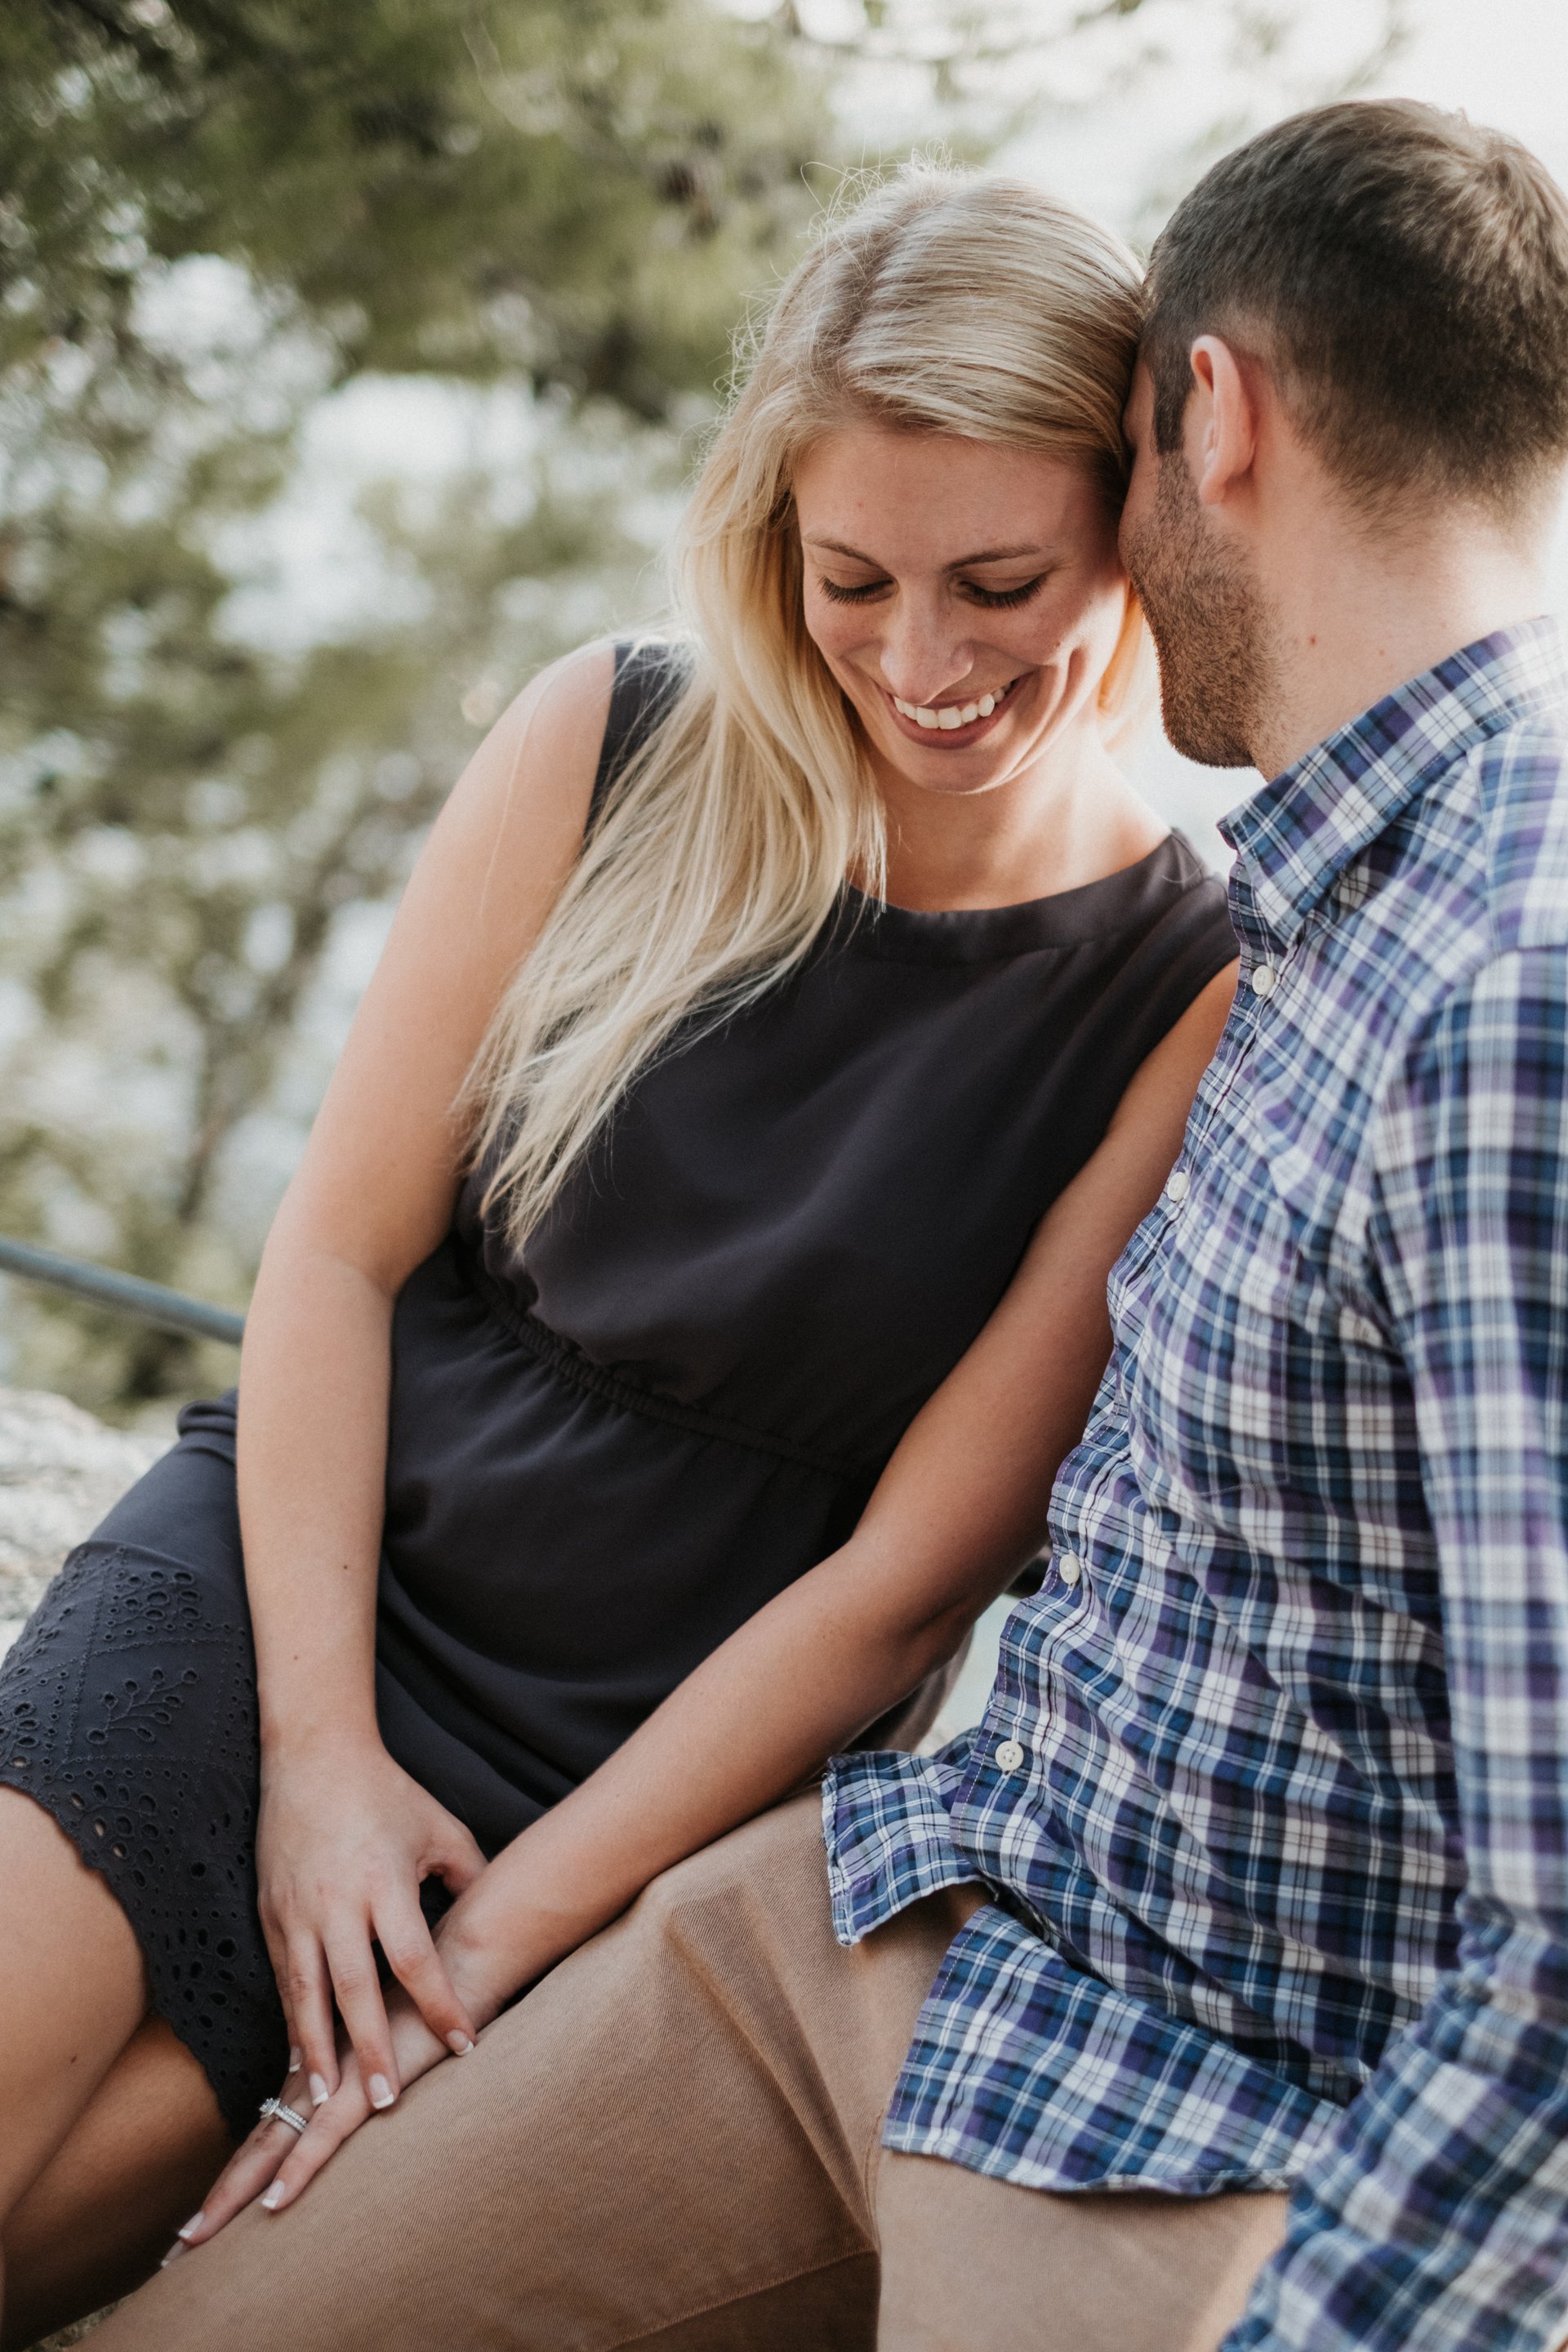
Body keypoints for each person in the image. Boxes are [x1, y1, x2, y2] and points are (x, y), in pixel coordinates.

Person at [74, 94, 1568, 2352]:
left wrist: (487, 1951)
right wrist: (329, 1784)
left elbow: (915, 1587)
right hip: (601, 1746)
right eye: (849, 579)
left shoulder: (1347, 984)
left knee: (164, 2197)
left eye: (1010, 575)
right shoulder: (666, 751)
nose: (921, 653)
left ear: (1181, 452)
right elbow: (340, 1252)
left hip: (923, 1924)